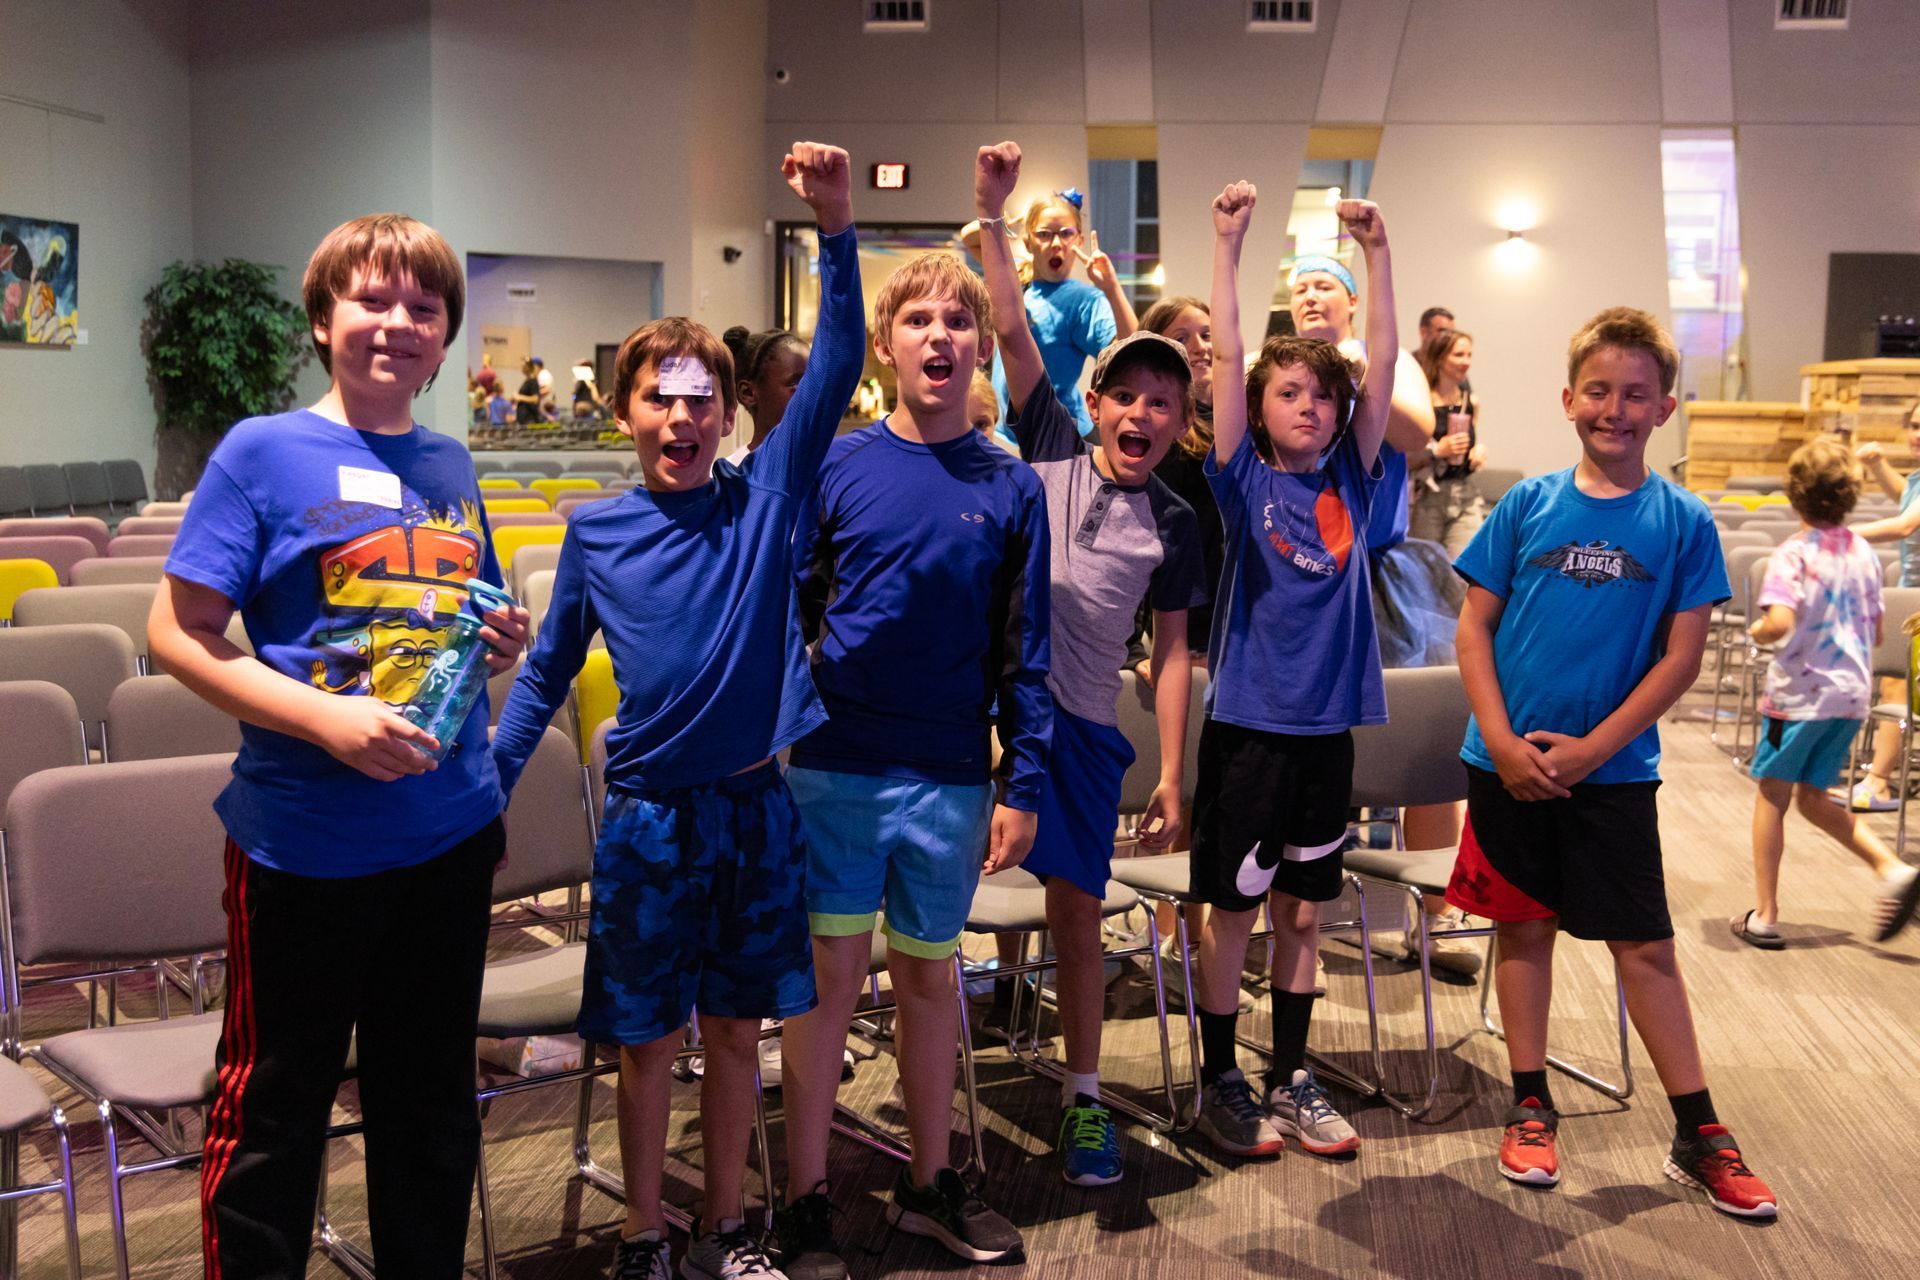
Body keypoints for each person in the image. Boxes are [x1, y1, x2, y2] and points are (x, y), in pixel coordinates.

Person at [489, 143, 863, 1280]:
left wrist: (837, 227)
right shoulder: (595, 532)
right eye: (661, 398)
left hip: (754, 811)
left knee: (737, 1034)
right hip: (650, 821)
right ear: (626, 411)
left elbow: (839, 360)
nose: (683, 418)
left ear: (733, 411)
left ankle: (726, 1229)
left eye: (704, 399)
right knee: (647, 1045)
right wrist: (488, 783)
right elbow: (548, 673)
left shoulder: (770, 497)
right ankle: (647, 1231)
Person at [147, 213, 531, 1278]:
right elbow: (174, 632)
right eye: (371, 299)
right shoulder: (262, 451)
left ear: (447, 333)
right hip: (306, 847)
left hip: (449, 831)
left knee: (429, 1105)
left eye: (423, 306)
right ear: (322, 320)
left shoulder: (449, 457)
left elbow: (447, 615)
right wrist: (323, 717)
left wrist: (498, 641)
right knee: (275, 1113)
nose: (397, 322)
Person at [1445, 306, 1778, 1218]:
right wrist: (1504, 742)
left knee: (1645, 945)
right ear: (1568, 400)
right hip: (1505, 764)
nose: (1615, 408)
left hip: (1615, 774)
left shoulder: (1682, 521)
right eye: (1599, 390)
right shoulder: (1526, 506)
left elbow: (1681, 658)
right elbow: (1473, 630)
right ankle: (1530, 1103)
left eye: (1636, 394)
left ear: (1664, 406)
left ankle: (1699, 1130)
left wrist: (1594, 749)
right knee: (1523, 932)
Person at [775, 247, 1051, 1274]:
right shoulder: (838, 463)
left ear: (982, 344)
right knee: (829, 980)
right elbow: (792, 611)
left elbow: (1027, 647)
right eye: (920, 321)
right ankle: (803, 1197)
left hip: (949, 779)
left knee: (933, 980)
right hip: (835, 769)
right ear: (884, 344)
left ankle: (930, 1178)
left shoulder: (1010, 483)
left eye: (959, 321)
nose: (941, 336)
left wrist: (1021, 780)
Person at [976, 140, 1204, 1185]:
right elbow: (1013, 327)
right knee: (920, 911)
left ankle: (1080, 1099)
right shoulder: (1052, 453)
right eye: (1128, 397)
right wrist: (990, 212)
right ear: (1098, 399)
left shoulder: (1173, 520)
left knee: (1075, 913)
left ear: (1178, 421)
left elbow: (1169, 655)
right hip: (972, 715)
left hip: (1073, 729)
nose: (1142, 416)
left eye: (1165, 403)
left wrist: (1171, 767)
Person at [1183, 182, 1397, 1160]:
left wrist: (1379, 256)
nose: (1309, 406)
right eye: (1288, 393)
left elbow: (1381, 361)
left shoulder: (1353, 473)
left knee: (1303, 913)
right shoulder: (1245, 477)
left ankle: (1291, 1075)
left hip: (1327, 735)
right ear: (1260, 412)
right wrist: (1228, 247)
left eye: (1323, 395)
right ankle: (1221, 1078)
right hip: (1251, 730)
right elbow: (1228, 355)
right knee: (1232, 911)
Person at [1288, 256, 1475, 978]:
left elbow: (1415, 432)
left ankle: (1439, 913)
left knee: (1422, 750)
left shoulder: (1379, 358)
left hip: (1381, 579)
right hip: (1298, 574)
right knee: (1301, 748)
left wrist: (1351, 367)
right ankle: (1294, 908)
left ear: (1353, 300)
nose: (1309, 294)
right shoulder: (1280, 367)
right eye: (1299, 285)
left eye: (1324, 284)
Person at [1737, 438, 1917, 947]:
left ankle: (1766, 915)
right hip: (1852, 698)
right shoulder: (1862, 552)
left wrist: (1758, 631)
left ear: (1794, 496)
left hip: (1798, 699)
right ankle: (1891, 868)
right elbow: (1878, 633)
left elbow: (1780, 622)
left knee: (1772, 795)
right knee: (1813, 799)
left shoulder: (1792, 555)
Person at [988, 188, 1138, 438]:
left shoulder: (1084, 300)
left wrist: (1111, 287)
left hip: (1059, 438)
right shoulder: (1014, 281)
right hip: (1005, 434)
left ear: (1078, 240)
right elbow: (972, 237)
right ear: (1028, 242)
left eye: (1066, 234)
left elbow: (1133, 350)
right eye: (1044, 234)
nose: (1056, 243)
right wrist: (1000, 221)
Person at [1839, 401, 1920, 811]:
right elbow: (1907, 497)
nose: (1918, 434)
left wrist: (1843, 533)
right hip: (1912, 594)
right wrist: (1878, 466)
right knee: (1895, 681)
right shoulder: (1919, 477)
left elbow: (1907, 524)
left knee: (1895, 682)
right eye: (1916, 425)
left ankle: (1880, 782)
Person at [1409, 327, 1490, 559]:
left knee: (1464, 571)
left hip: (1464, 494)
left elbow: (1472, 443)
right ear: (1440, 356)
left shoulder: (1470, 401)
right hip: (1425, 498)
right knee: (1424, 574)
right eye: (1459, 355)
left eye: (1469, 355)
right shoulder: (1420, 401)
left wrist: (1478, 452)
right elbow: (1399, 460)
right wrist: (1437, 450)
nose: (1466, 362)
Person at [723, 325, 811, 460]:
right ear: (748, 393)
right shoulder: (731, 476)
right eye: (796, 383)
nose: (811, 392)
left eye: (813, 382)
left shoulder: (832, 464)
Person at [513, 357, 542, 425]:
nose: (521, 368)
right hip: (523, 419)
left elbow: (535, 399)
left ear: (528, 367)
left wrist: (520, 397)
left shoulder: (533, 381)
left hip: (529, 419)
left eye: (523, 366)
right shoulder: (527, 381)